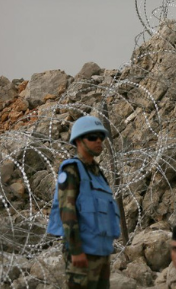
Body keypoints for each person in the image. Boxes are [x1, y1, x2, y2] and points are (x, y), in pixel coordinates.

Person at [46, 116, 120, 289]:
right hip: (83, 254)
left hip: (102, 253)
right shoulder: (72, 170)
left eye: (101, 137)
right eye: (93, 137)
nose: (99, 141)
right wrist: (76, 250)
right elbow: (67, 211)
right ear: (79, 141)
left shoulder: (98, 174)